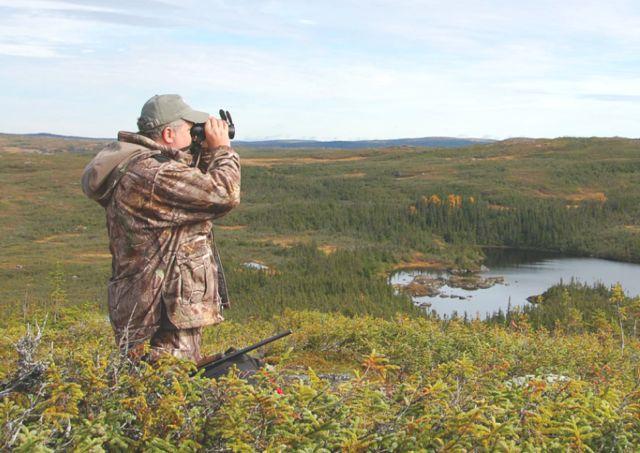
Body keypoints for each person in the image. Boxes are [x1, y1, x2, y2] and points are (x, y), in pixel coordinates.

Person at [81, 94, 241, 362]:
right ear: (168, 133)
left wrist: (202, 149)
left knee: (156, 386)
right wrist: (223, 150)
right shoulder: (152, 173)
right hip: (161, 309)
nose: (195, 135)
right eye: (191, 130)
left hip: (152, 302)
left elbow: (188, 181)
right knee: (167, 390)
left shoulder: (142, 166)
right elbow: (224, 193)